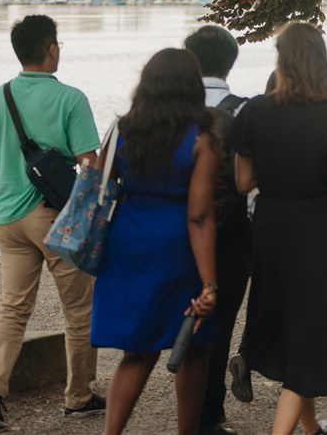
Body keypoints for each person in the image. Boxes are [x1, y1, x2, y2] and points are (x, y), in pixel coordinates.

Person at [230, 23, 327, 435]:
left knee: (290, 327)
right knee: (312, 331)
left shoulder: (255, 110)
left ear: (282, 59)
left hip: (272, 226)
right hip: (318, 228)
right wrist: (326, 175)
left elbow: (242, 182)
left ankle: (312, 429)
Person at [0, 14, 103, 429]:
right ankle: (78, 396)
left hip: (9, 220)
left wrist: (6, 201)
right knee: (79, 310)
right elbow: (90, 164)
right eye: (58, 43)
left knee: (11, 307)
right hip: (56, 219)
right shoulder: (71, 99)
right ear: (51, 49)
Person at [92, 48, 219, 435]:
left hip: (127, 239)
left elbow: (101, 185)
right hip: (176, 244)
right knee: (194, 345)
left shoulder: (121, 130)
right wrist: (210, 282)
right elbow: (198, 215)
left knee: (138, 349)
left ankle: (111, 432)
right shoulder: (202, 139)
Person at [184, 25, 254, 434]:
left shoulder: (169, 111)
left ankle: (185, 402)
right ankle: (209, 412)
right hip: (231, 231)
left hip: (177, 228)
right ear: (231, 63)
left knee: (179, 312)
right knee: (221, 319)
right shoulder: (244, 110)